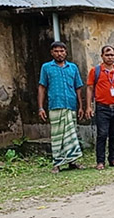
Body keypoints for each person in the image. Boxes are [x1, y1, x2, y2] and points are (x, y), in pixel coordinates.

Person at [37, 41, 86, 174]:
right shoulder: (46, 67)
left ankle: (72, 161)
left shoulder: (73, 67)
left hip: (71, 105)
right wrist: (40, 107)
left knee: (71, 135)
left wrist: (81, 107)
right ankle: (57, 163)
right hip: (55, 105)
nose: (59, 54)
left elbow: (78, 88)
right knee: (57, 136)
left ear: (66, 52)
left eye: (62, 51)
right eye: (56, 51)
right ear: (52, 53)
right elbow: (42, 87)